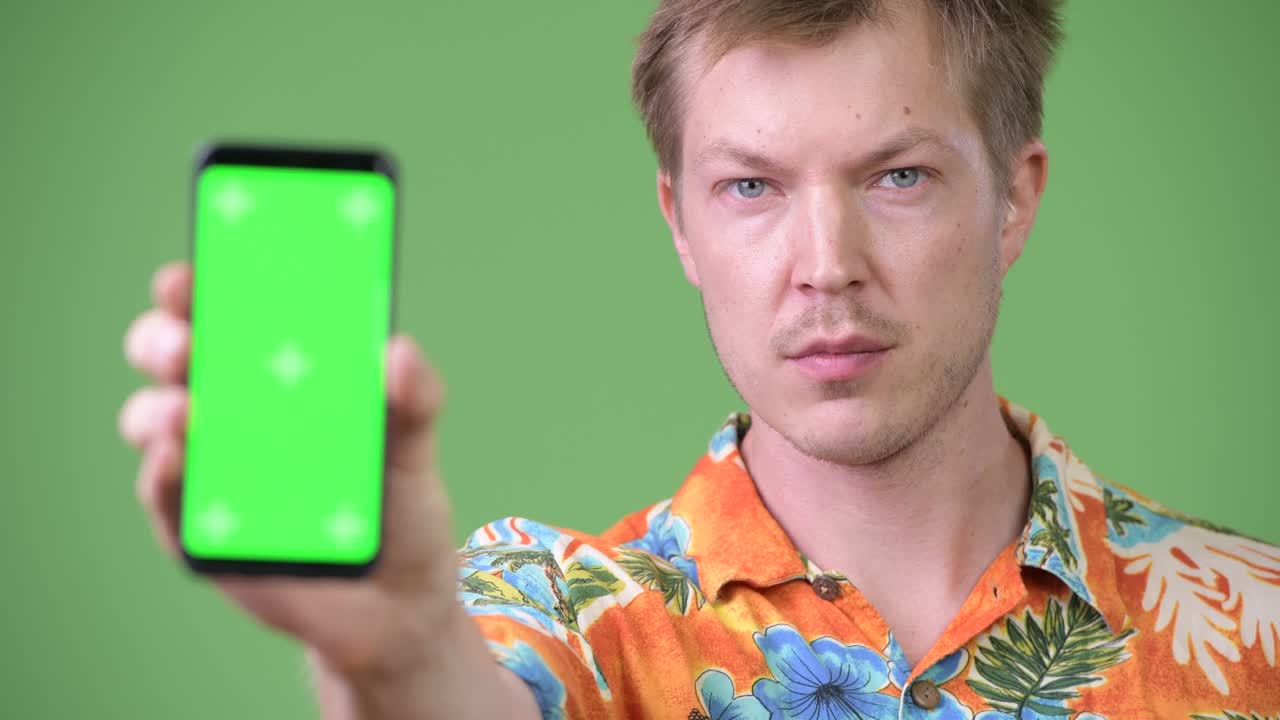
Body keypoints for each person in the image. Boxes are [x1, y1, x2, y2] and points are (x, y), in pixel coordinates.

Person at [119, 0, 1280, 717]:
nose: (825, 266)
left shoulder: (1258, 624)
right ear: (679, 221)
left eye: (897, 176)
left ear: (1013, 200)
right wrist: (403, 653)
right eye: (750, 188)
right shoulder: (564, 618)